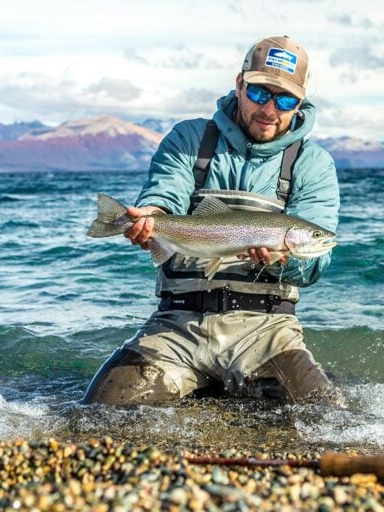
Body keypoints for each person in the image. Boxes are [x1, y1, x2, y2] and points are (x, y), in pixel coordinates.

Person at [83, 35, 339, 405]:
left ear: (300, 101)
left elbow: (316, 267)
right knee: (99, 416)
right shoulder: (190, 139)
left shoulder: (312, 164)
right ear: (239, 84)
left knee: (324, 420)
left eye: (285, 100)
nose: (270, 108)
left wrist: (285, 262)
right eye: (259, 94)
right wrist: (151, 217)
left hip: (266, 332)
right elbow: (163, 195)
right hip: (176, 326)